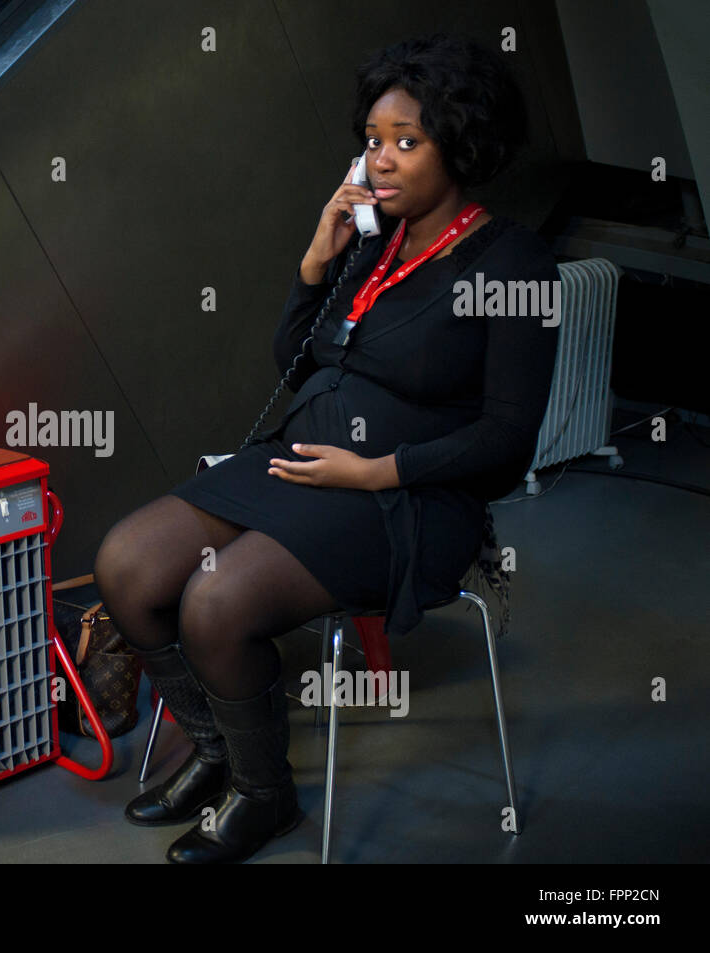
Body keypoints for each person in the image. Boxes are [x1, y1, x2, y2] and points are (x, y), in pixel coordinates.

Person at [92, 33, 560, 864]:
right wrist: (316, 260)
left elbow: (507, 440)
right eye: (374, 141)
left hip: (409, 499)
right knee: (127, 562)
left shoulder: (514, 260)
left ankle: (263, 796)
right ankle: (217, 751)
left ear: (462, 143)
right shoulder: (379, 241)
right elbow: (304, 363)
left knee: (215, 603)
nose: (381, 161)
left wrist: (373, 470)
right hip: (304, 463)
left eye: (407, 142)